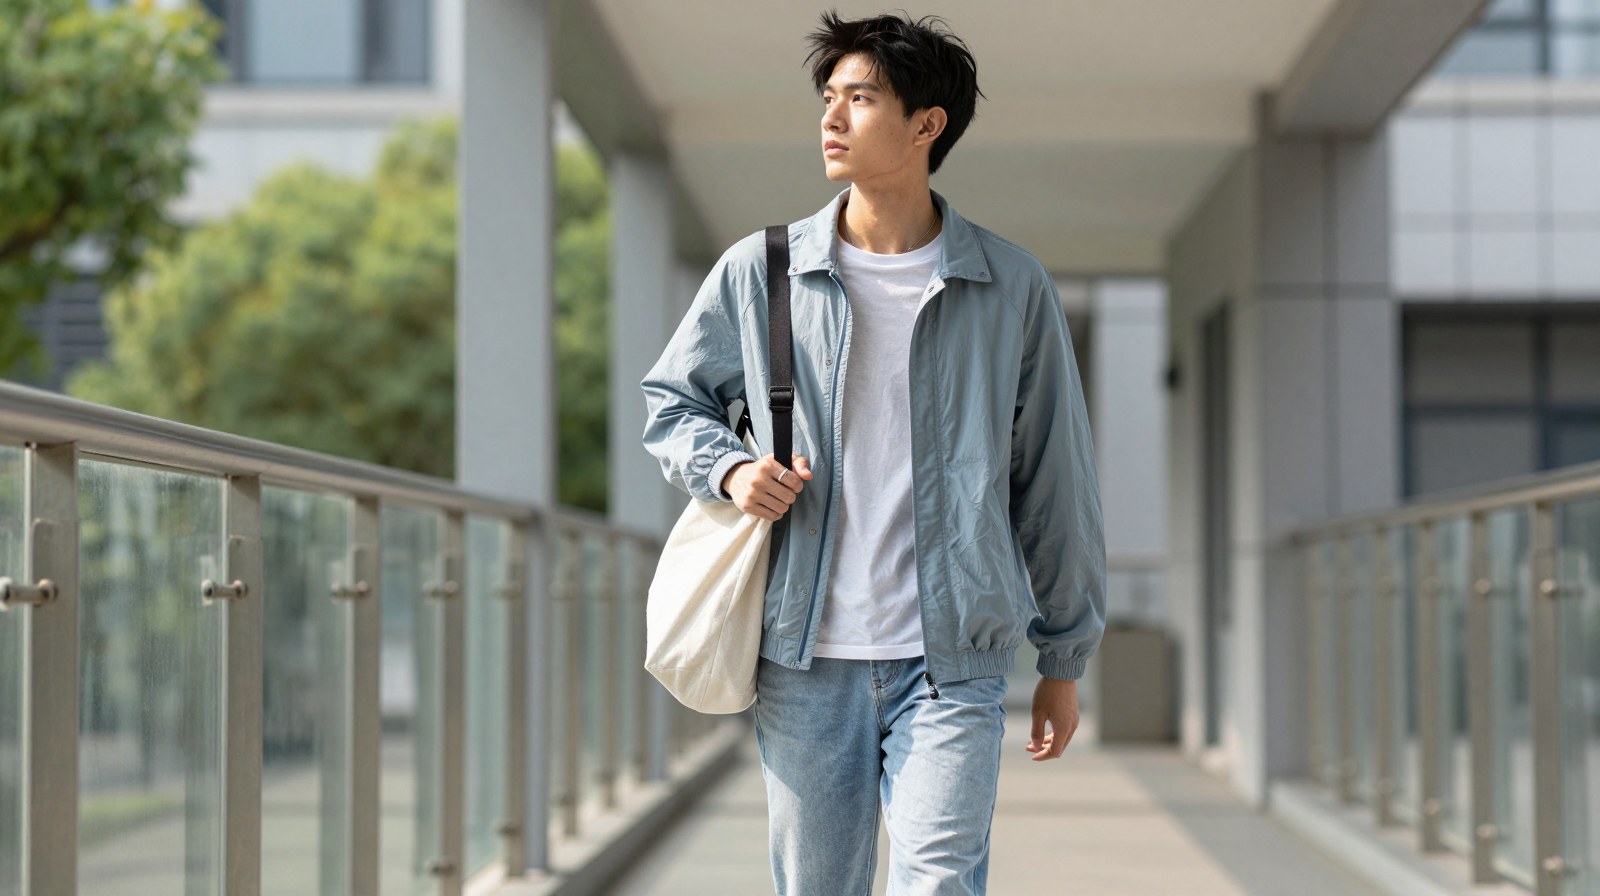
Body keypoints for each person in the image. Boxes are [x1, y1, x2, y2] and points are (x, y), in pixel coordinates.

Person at [640, 10, 1105, 895]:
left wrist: (1063, 658)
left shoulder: (1009, 288)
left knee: (938, 881)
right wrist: (731, 469)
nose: (833, 117)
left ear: (927, 124)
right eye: (829, 97)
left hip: (954, 659)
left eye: (861, 98)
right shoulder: (763, 272)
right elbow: (672, 400)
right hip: (804, 656)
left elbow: (1056, 479)